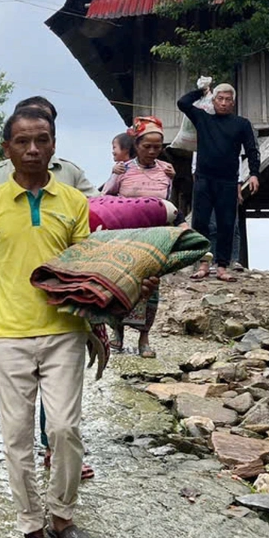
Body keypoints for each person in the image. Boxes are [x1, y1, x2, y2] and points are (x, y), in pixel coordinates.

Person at [0, 107, 97, 538]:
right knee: (15, 435)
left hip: (64, 331)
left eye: (42, 140)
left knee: (64, 429)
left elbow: (85, 269)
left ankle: (63, 519)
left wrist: (99, 318)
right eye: (22, 141)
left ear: (53, 146)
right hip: (8, 332)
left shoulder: (73, 202)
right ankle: (32, 527)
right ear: (7, 149)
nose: (33, 149)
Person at [103, 116, 176, 358]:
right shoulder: (123, 170)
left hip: (154, 238)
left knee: (151, 287)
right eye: (147, 146)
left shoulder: (166, 171)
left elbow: (168, 204)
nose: (152, 151)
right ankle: (117, 333)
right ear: (136, 145)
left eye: (157, 147)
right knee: (121, 283)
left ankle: (144, 337)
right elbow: (105, 199)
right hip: (124, 236)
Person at [178, 82, 260, 282]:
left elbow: (252, 149)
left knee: (226, 223)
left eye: (227, 100)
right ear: (213, 101)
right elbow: (183, 103)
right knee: (201, 222)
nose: (223, 103)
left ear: (233, 103)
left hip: (228, 181)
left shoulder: (242, 124)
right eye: (220, 99)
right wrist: (202, 91)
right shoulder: (203, 118)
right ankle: (204, 264)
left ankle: (222, 266)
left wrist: (254, 174)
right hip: (204, 179)